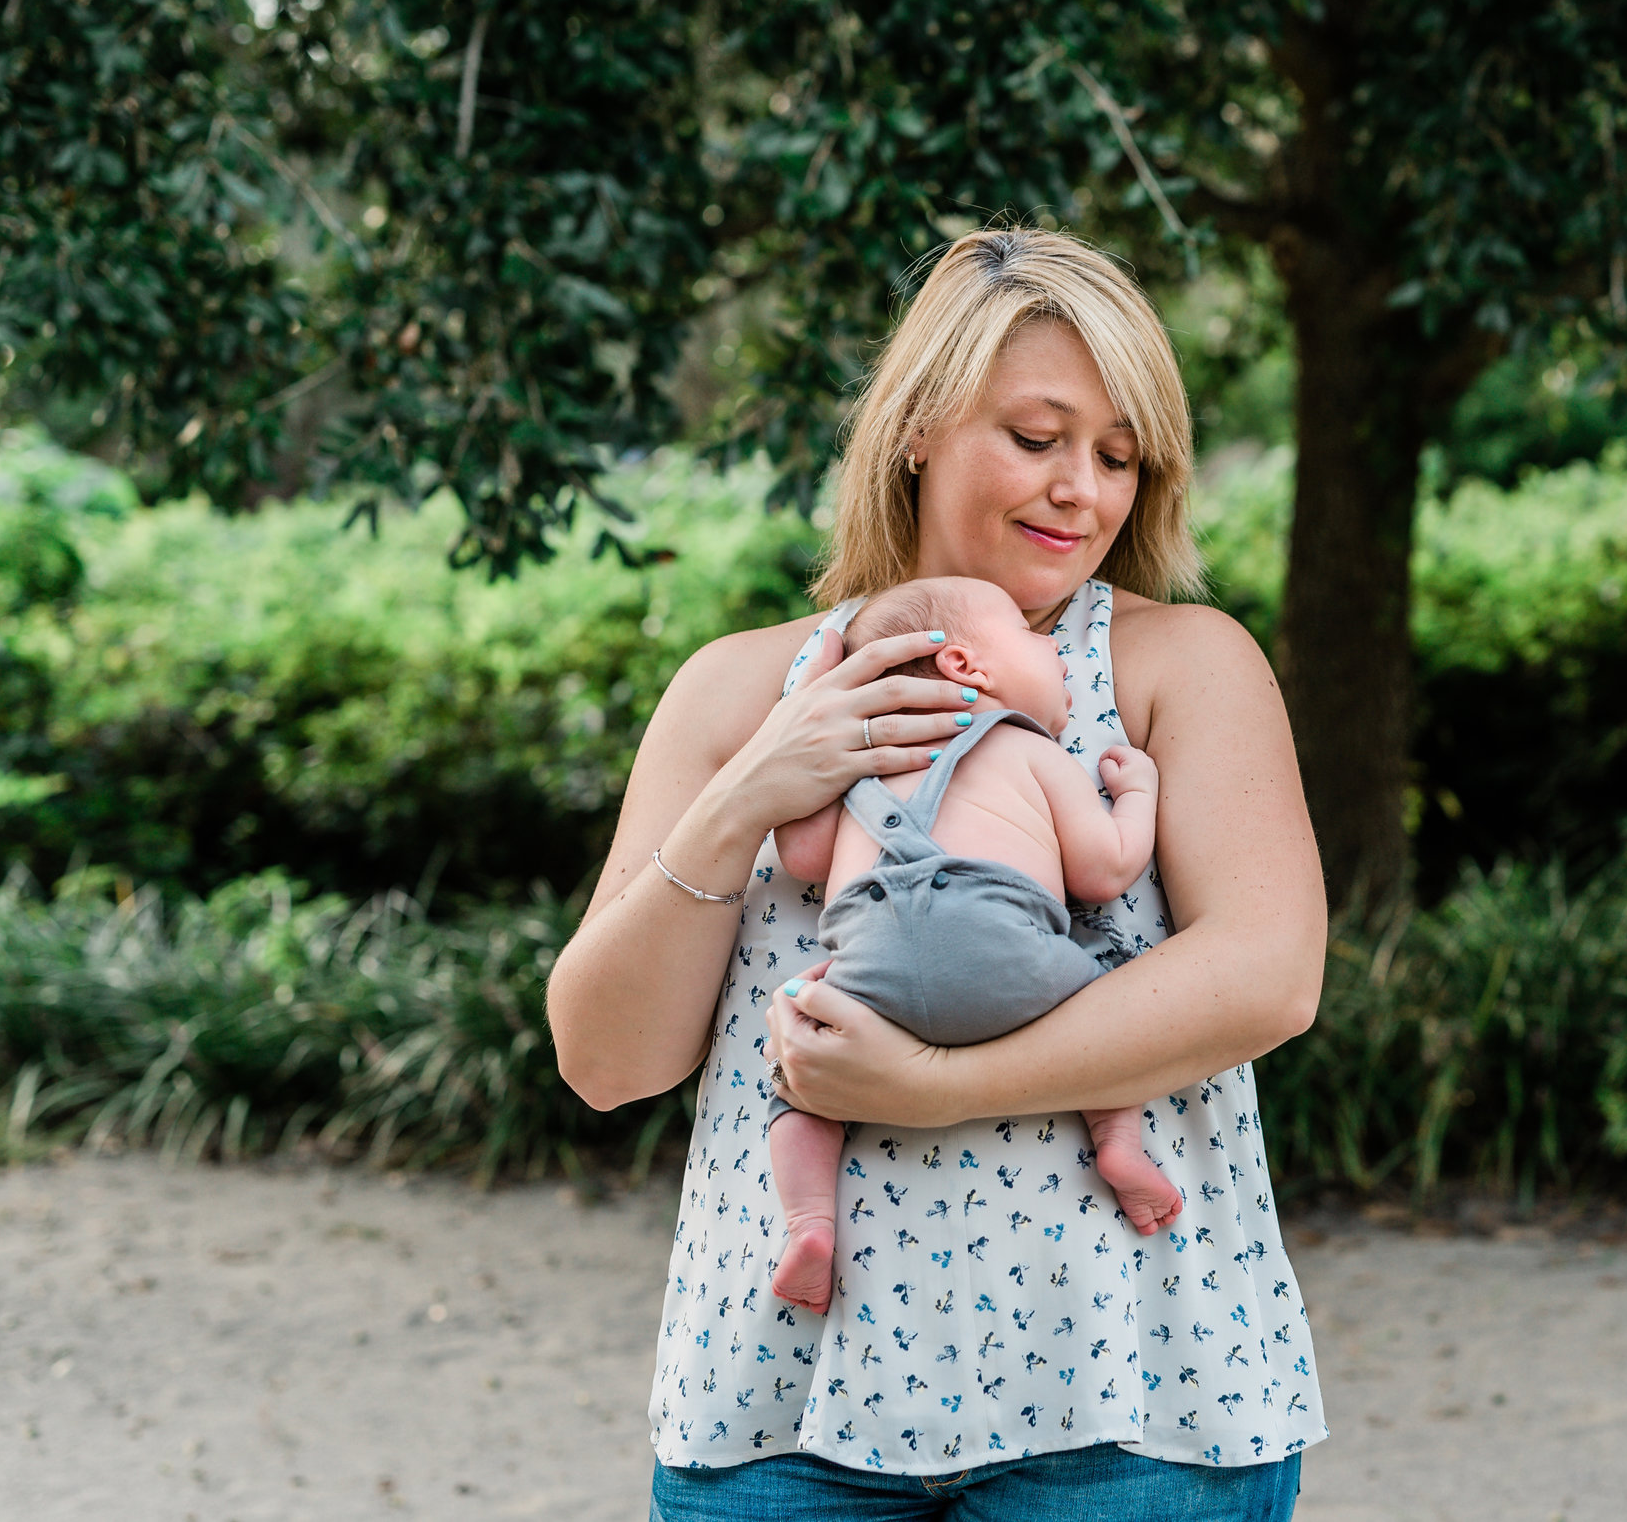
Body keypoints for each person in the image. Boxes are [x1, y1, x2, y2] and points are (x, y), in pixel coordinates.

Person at [545, 227, 1328, 1519]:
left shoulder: (1179, 664)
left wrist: (933, 1085)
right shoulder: (738, 688)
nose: (1082, 488)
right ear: (914, 427)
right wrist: (752, 788)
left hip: (1128, 1412)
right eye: (1037, 437)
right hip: (780, 1415)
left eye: (1120, 455)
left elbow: (1266, 977)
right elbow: (605, 1058)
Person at [762, 573, 1185, 1320]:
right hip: (1010, 954)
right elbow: (1106, 870)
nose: (1055, 649)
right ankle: (1117, 1139)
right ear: (966, 666)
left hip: (868, 980)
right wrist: (1140, 791)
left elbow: (800, 855)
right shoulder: (1028, 746)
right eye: (1032, 637)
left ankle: (809, 1225)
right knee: (1114, 993)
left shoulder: (859, 763)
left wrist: (810, 717)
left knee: (798, 1082)